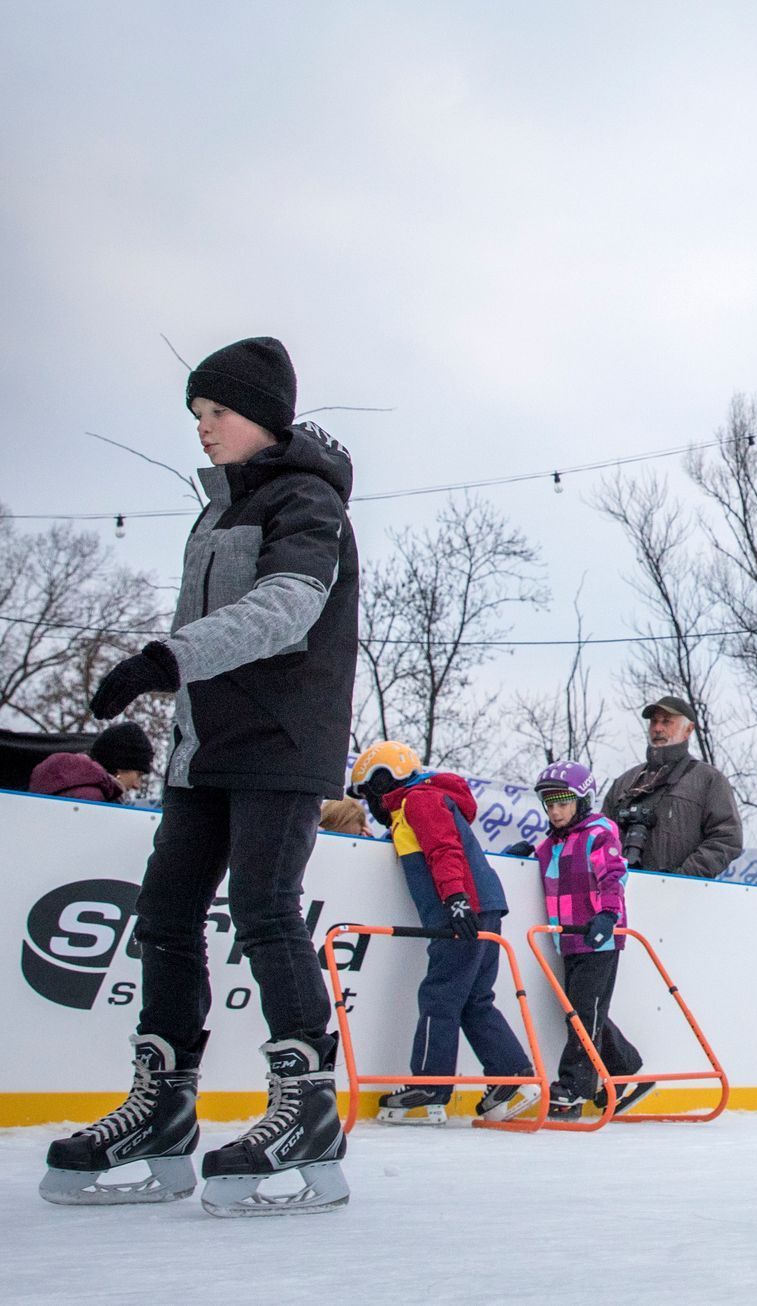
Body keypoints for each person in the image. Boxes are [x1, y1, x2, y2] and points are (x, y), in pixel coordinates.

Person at [41, 337, 360, 1216]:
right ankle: (164, 1106)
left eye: (216, 413)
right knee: (167, 915)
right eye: (197, 417)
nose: (204, 430)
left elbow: (289, 609)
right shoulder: (216, 512)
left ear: (261, 412)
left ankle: (306, 1110)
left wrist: (162, 661)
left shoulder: (306, 499)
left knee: (263, 907)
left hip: (281, 739)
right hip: (204, 748)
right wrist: (176, 713)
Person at [348, 740, 540, 1126]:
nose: (371, 806)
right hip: (482, 907)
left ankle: (430, 1086)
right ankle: (513, 1077)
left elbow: (443, 849)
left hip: (461, 911)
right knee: (473, 1001)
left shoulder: (419, 801)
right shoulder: (419, 806)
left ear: (384, 782)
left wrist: (455, 900)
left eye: (370, 795)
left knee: (440, 995)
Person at [531, 761, 653, 1120]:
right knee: (583, 1010)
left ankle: (575, 1087)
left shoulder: (599, 832)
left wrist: (608, 915)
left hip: (599, 938)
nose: (555, 811)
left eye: (563, 803)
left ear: (582, 801)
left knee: (584, 1013)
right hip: (569, 940)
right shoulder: (553, 843)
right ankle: (624, 1068)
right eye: (549, 804)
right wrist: (523, 854)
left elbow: (614, 875)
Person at [599, 695, 742, 877]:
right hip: (623, 892)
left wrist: (684, 876)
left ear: (688, 729)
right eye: (654, 722)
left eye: (667, 722)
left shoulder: (709, 780)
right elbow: (600, 838)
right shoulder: (625, 782)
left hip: (683, 897)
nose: (658, 728)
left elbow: (727, 838)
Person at [27, 722, 153, 804]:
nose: (137, 785)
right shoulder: (90, 798)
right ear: (120, 767)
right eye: (139, 775)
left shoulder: (74, 786)